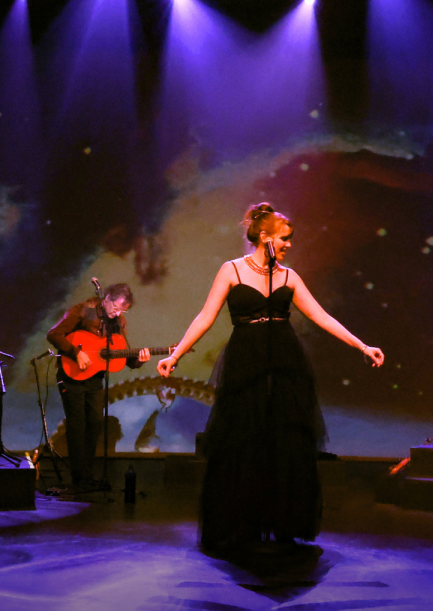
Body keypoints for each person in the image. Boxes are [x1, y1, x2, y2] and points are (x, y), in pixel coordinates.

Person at [157, 203, 384, 553]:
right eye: (285, 238)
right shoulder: (231, 270)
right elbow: (205, 316)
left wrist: (361, 345)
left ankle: (283, 520)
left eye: (291, 239)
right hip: (245, 359)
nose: (290, 245)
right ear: (264, 237)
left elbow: (320, 316)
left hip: (284, 359)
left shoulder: (289, 277)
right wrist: (174, 354)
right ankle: (238, 523)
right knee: (243, 440)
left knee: (284, 441)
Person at [47, 283, 150, 489]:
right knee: (77, 425)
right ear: (107, 298)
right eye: (116, 307)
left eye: (123, 310)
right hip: (71, 376)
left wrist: (139, 360)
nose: (118, 313)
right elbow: (54, 334)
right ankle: (78, 478)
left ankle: (87, 474)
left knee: (94, 423)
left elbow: (121, 353)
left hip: (95, 379)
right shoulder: (83, 310)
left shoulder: (118, 322)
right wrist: (76, 352)